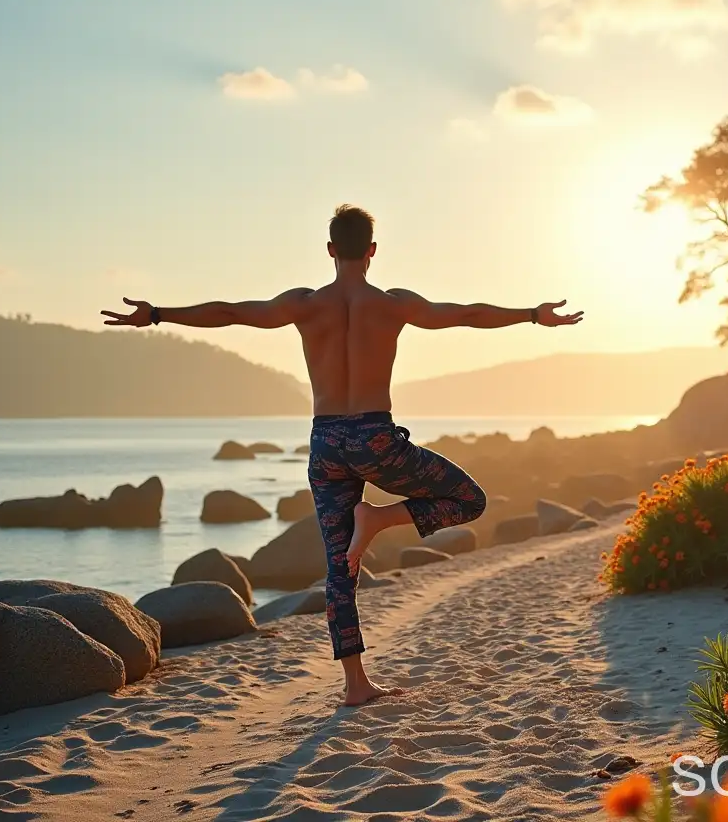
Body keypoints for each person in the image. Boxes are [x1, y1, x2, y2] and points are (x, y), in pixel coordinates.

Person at [101, 205, 583, 706]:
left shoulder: (305, 305)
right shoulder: (393, 305)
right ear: (372, 251)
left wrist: (156, 314)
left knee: (338, 571)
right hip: (377, 441)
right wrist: (531, 315)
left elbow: (232, 312)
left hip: (326, 443)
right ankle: (378, 520)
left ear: (330, 250)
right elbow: (464, 315)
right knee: (469, 499)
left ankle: (355, 684)